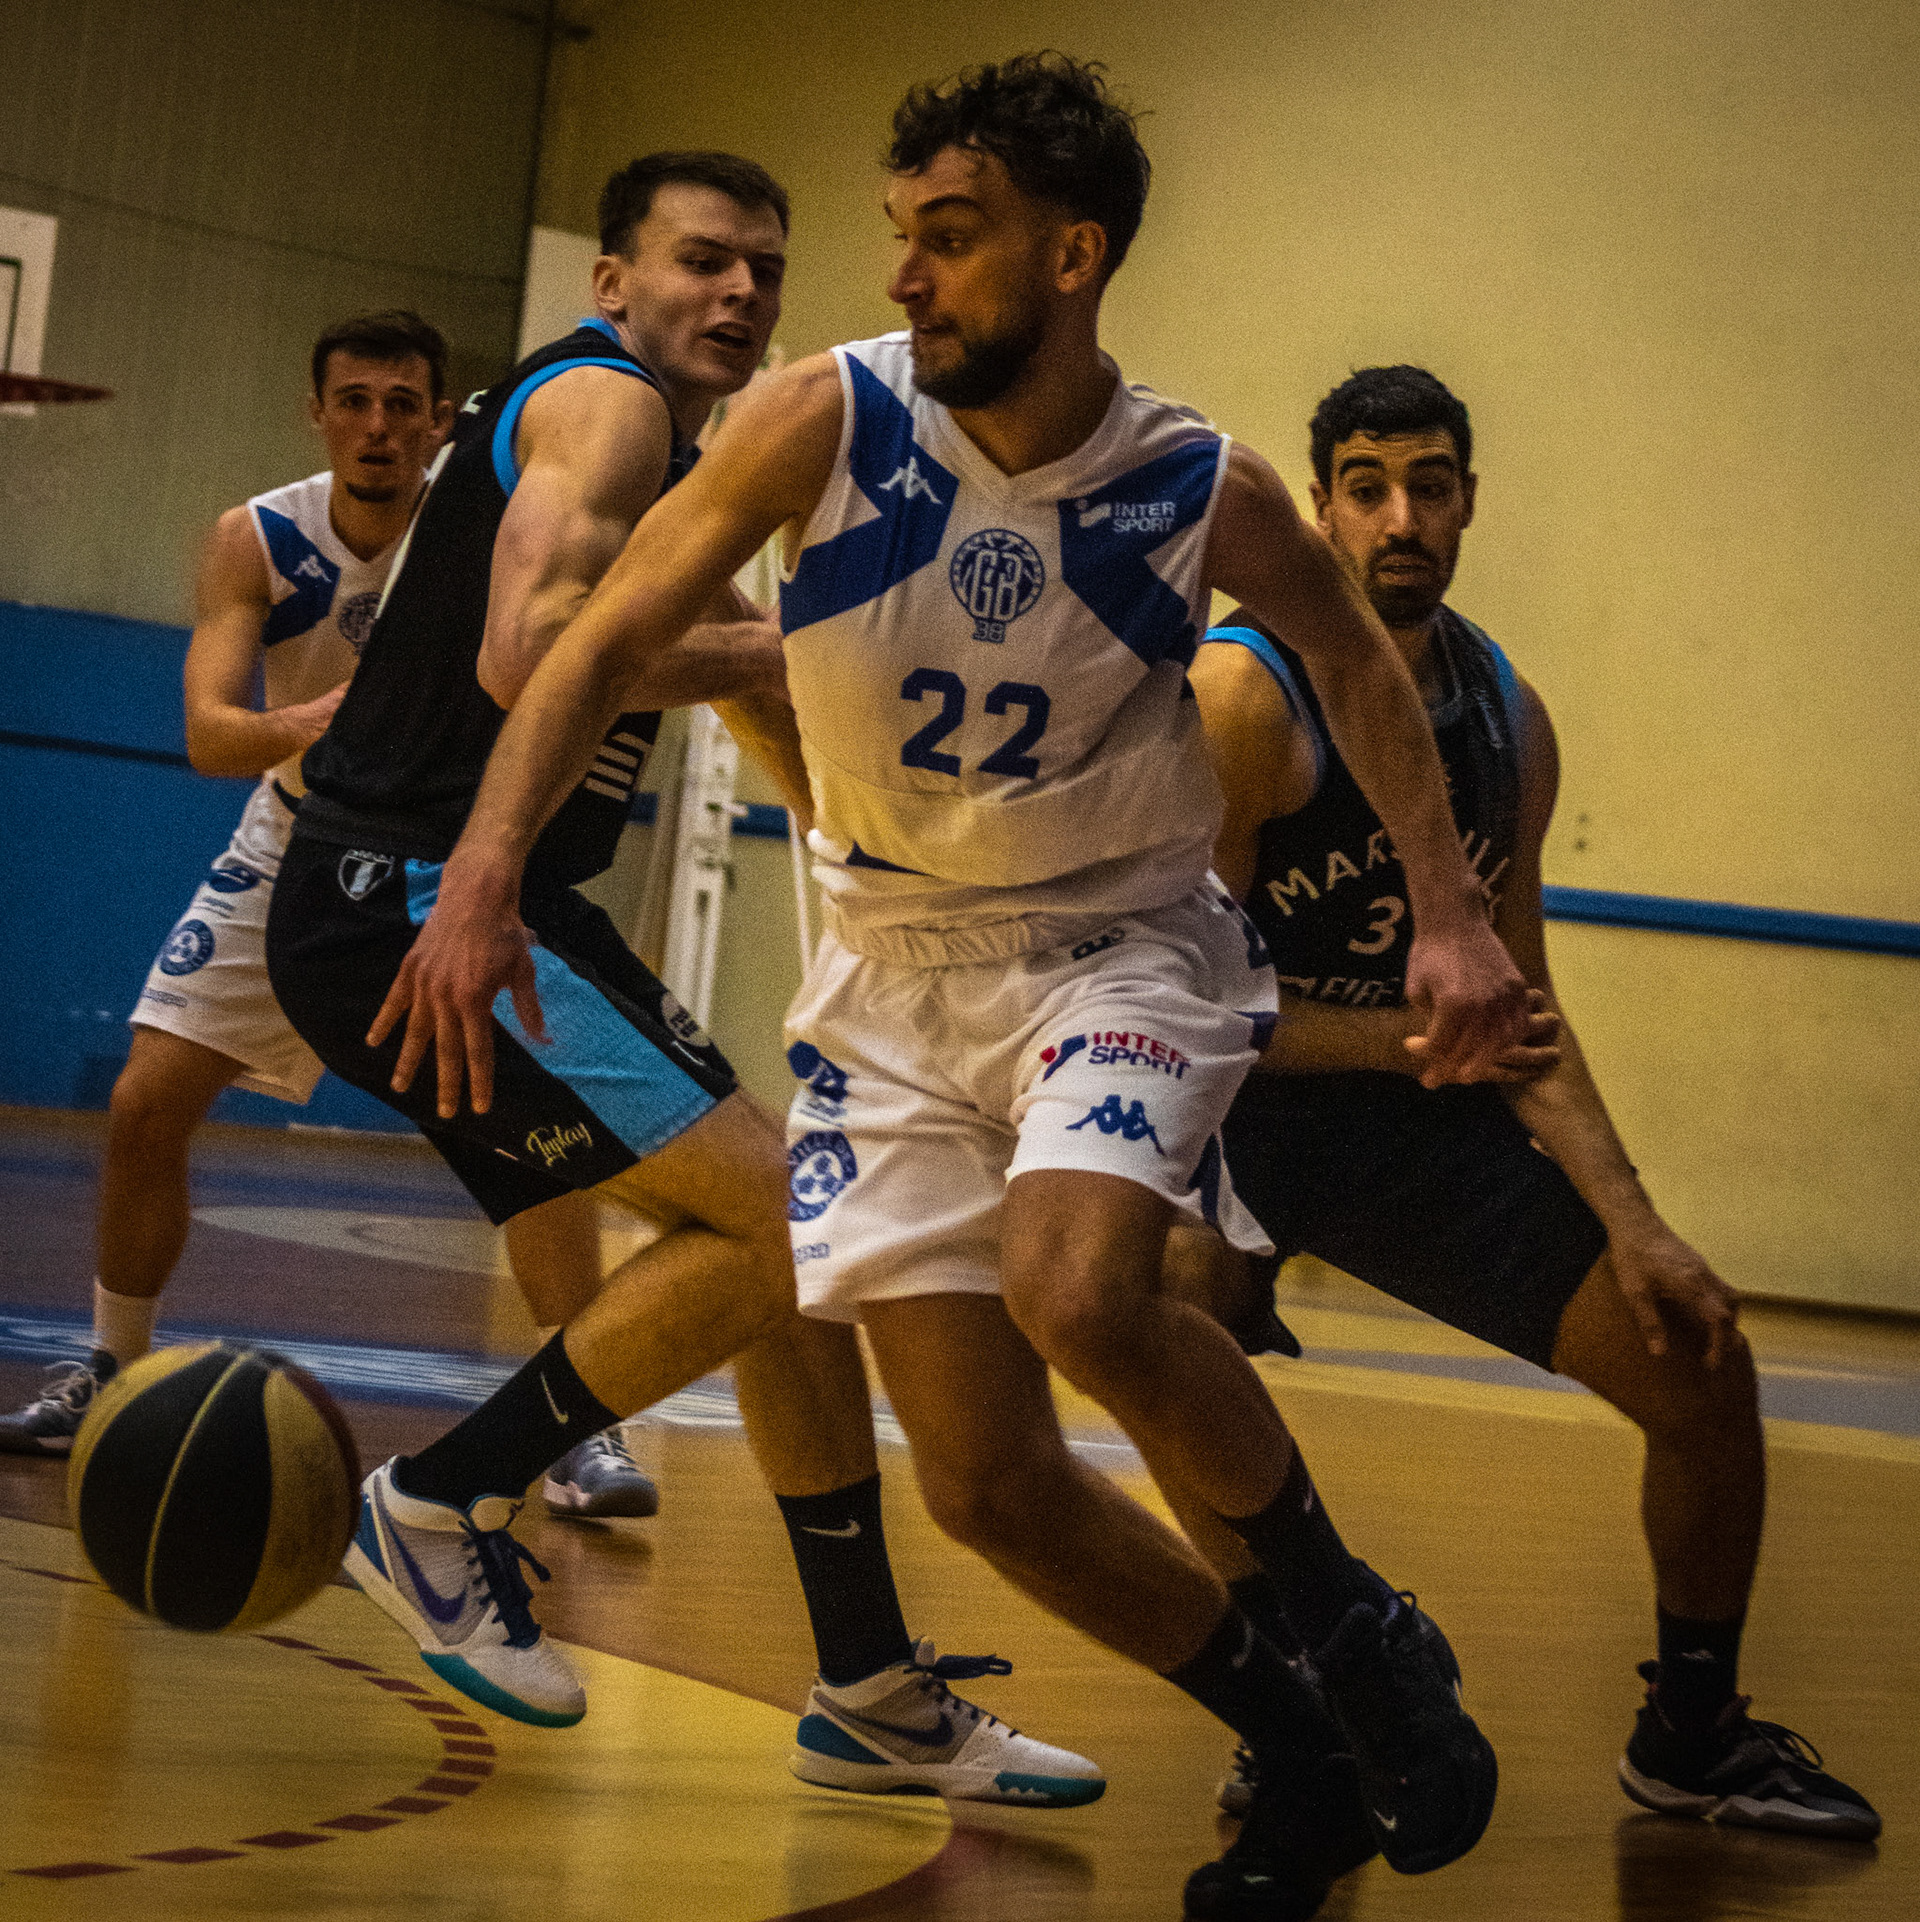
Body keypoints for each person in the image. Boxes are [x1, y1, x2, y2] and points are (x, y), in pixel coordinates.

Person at [367, 61, 1542, 1920]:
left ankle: (1351, 1623)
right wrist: (489, 866)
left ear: (1072, 256)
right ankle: (1302, 1747)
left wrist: (1453, 914)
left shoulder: (1195, 481)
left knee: (1079, 1287)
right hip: (892, 976)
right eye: (900, 231)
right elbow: (597, 641)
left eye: (952, 233)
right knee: (986, 1486)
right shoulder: (820, 416)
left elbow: (1354, 665)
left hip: (1114, 941)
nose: (905, 272)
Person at [264, 151, 1098, 1804]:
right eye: (702, 260)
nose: (739, 294)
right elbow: (536, 650)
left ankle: (869, 1685)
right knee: (791, 1222)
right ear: (613, 284)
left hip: (469, 901)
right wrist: (815, 639)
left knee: (794, 1243)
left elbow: (753, 692)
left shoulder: (683, 465)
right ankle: (440, 1500)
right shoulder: (609, 409)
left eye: (764, 270)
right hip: (415, 897)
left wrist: (888, 886)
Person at [1173, 363, 1879, 1843]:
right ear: (1320, 509)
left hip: (1412, 1113)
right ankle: (1311, 1688)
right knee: (1162, 1321)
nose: (1400, 518)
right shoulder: (1243, 699)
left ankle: (1692, 1736)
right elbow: (1180, 1007)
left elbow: (1524, 1001)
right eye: (1367, 487)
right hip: (1228, 1104)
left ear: (1469, 504)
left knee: (1700, 1362)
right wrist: (1400, 1041)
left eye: (1429, 487)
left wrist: (1639, 1223)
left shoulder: (1505, 715)